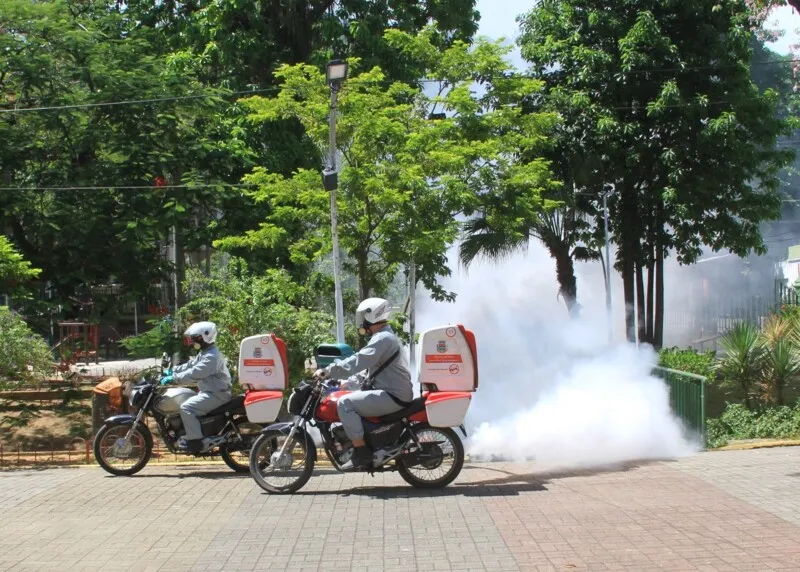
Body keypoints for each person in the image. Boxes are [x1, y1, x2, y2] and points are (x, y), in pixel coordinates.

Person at [314, 298, 413, 471]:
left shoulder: (383, 338)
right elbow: (370, 371)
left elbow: (358, 361)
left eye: (362, 316)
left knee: (345, 403)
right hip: (393, 392)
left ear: (372, 315)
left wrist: (328, 370)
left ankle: (361, 451)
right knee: (347, 397)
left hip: (393, 394)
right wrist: (345, 382)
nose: (361, 321)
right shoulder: (384, 337)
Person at [160, 321, 232, 454]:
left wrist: (174, 378)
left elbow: (195, 373)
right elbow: (190, 365)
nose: (193, 341)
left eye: (195, 338)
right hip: (211, 392)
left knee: (187, 408)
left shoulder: (211, 356)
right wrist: (172, 371)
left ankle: (195, 442)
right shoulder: (205, 352)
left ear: (204, 337)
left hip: (217, 394)